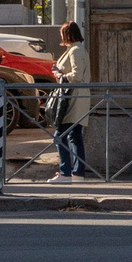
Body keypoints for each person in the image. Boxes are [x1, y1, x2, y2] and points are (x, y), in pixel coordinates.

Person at [49, 21, 89, 181]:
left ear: (67, 34)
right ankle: (78, 173)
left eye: (62, 34)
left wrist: (60, 75)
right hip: (76, 97)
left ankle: (65, 172)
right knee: (75, 135)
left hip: (74, 98)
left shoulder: (75, 50)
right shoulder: (77, 49)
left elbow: (77, 75)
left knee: (60, 135)